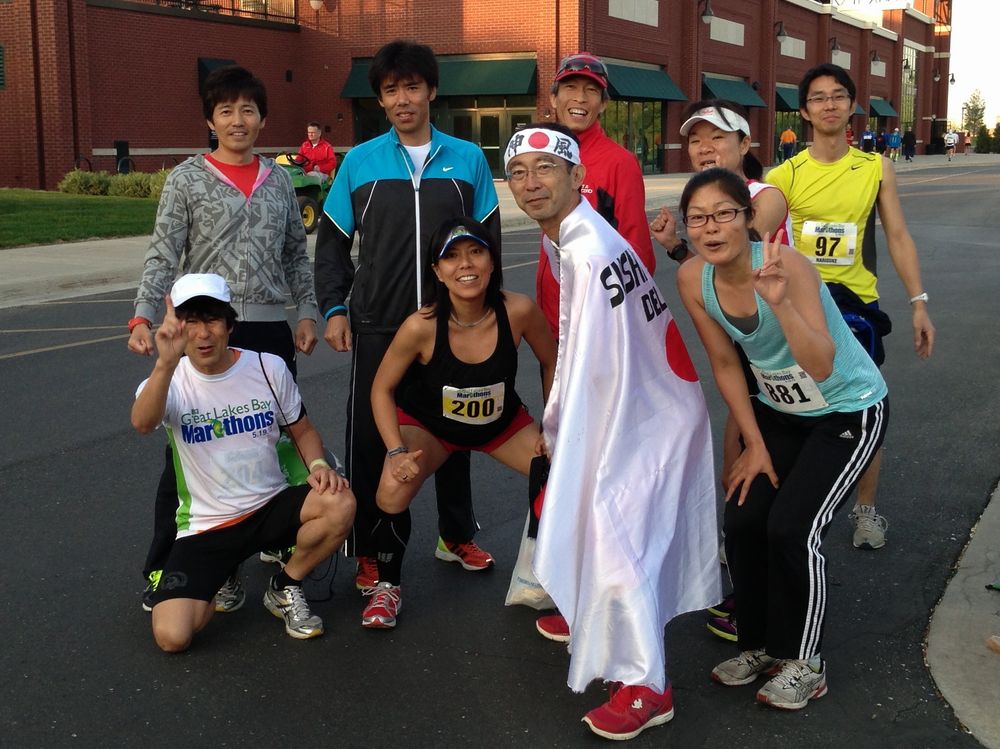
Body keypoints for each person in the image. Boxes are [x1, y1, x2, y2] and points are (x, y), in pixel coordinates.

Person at [506, 123, 719, 740]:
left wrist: (556, 430)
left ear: (578, 178)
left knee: (619, 537)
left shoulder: (586, 248)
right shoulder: (576, 234)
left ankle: (648, 684)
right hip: (647, 401)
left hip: (647, 415)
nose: (531, 182)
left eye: (546, 169)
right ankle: (594, 616)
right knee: (604, 526)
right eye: (518, 172)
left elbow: (583, 360)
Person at [674, 167, 889, 711]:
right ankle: (762, 645)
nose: (710, 227)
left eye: (724, 214)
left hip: (848, 408)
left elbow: (821, 363)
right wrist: (754, 443)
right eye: (697, 219)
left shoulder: (786, 265)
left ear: (748, 218)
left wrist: (780, 302)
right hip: (778, 413)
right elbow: (726, 364)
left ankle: (805, 663)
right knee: (745, 519)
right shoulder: (694, 279)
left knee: (794, 527)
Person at [127, 65, 320, 610]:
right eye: (226, 111)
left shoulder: (279, 180)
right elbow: (163, 252)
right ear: (210, 121)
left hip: (268, 328)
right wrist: (143, 315)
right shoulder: (186, 179)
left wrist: (306, 311)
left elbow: (295, 255)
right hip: (204, 328)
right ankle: (170, 564)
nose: (239, 120)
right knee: (191, 449)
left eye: (248, 110)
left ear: (262, 119)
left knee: (274, 439)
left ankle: (275, 541)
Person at [314, 40, 502, 590]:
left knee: (455, 430)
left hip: (450, 324)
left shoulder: (467, 159)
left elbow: (486, 243)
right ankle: (370, 548)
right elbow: (332, 245)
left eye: (412, 87)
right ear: (380, 99)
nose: (402, 99)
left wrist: (486, 314)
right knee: (371, 440)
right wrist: (335, 308)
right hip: (379, 324)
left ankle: (455, 533)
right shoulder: (359, 162)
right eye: (391, 90)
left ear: (431, 91)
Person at [132, 273, 355, 652]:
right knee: (173, 636)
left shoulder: (267, 367)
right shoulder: (171, 380)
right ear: (178, 328)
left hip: (269, 505)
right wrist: (164, 365)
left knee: (340, 502)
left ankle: (285, 585)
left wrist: (319, 466)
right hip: (208, 525)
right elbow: (142, 422)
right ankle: (222, 573)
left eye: (213, 320)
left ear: (230, 325)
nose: (203, 334)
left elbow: (302, 430)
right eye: (191, 322)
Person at [767, 63, 934, 551]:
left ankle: (865, 510)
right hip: (799, 303)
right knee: (789, 406)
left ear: (852, 106)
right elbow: (761, 231)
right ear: (804, 111)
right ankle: (778, 508)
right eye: (818, 98)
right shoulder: (785, 174)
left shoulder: (875, 168)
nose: (829, 105)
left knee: (864, 404)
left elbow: (897, 235)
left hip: (857, 305)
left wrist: (918, 303)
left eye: (838, 96)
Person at [360, 217, 556, 629]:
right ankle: (386, 587)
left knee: (560, 473)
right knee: (392, 488)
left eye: (475, 252)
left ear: (492, 261)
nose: (465, 264)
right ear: (437, 271)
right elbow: (381, 389)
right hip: (431, 429)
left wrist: (554, 426)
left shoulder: (518, 311)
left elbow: (552, 361)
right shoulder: (421, 326)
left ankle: (552, 574)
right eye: (451, 257)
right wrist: (396, 451)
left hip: (501, 427)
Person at [649, 99, 793, 644]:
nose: (705, 148)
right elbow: (713, 268)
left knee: (767, 472)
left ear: (745, 144)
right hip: (750, 353)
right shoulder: (708, 205)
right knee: (741, 458)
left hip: (788, 349)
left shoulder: (764, 196)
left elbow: (739, 253)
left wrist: (694, 237)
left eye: (718, 137)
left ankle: (769, 597)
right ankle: (748, 572)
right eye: (695, 140)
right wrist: (676, 247)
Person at [536, 51, 655, 337]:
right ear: (553, 98)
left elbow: (638, 251)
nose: (580, 98)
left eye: (591, 91)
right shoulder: (542, 156)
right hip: (552, 315)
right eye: (570, 87)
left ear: (603, 104)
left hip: (597, 320)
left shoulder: (620, 162)